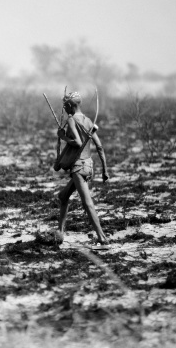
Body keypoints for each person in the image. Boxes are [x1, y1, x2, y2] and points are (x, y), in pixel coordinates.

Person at [56, 91, 110, 250]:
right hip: (89, 166)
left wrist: (63, 136)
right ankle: (60, 233)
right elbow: (99, 146)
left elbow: (78, 142)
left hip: (78, 168)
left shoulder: (72, 120)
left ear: (72, 105)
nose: (65, 109)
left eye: (66, 106)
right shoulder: (88, 121)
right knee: (63, 196)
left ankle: (102, 237)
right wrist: (105, 170)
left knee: (87, 203)